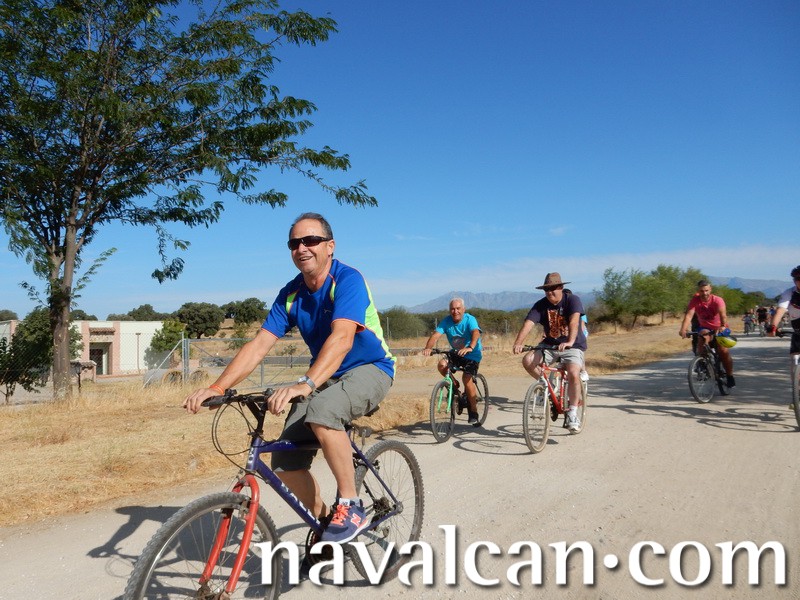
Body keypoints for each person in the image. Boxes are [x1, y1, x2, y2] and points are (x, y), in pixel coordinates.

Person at [184, 212, 395, 544]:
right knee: (284, 464)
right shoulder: (291, 294)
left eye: (311, 240)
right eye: (294, 243)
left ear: (330, 246)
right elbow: (259, 345)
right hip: (324, 374)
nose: (302, 248)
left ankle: (350, 505)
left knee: (323, 411)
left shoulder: (347, 280)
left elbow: (342, 338)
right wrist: (217, 386)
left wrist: (305, 384)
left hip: (370, 368)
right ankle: (328, 522)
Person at [512, 273, 587, 433]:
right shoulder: (541, 305)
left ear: (561, 287)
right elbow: (529, 323)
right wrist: (518, 342)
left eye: (553, 288)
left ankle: (572, 413)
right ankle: (548, 386)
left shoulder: (572, 300)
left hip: (572, 345)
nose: (550, 292)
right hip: (550, 345)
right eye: (546, 289)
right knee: (528, 361)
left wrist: (570, 341)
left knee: (573, 373)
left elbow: (574, 321)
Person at [421, 298, 483, 426]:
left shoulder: (470, 319)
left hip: (472, 354)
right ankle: (454, 384)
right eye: (452, 309)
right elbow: (435, 335)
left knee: (467, 378)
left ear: (463, 309)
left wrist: (470, 347)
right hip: (456, 353)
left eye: (458, 308)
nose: (455, 311)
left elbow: (475, 333)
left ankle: (473, 411)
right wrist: (428, 348)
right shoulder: (446, 321)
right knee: (442, 365)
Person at [679, 279, 735, 387]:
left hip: (720, 327)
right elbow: (689, 316)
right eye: (702, 291)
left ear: (710, 289)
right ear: (698, 291)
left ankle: (730, 376)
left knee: (723, 351)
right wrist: (683, 329)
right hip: (705, 327)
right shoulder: (695, 301)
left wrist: (723, 325)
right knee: (702, 336)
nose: (704, 293)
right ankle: (702, 362)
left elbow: (723, 315)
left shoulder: (718, 300)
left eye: (706, 290)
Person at [767, 267, 800, 401]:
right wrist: (773, 327)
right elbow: (780, 310)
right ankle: (797, 393)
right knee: (794, 360)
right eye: (797, 279)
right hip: (798, 329)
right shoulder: (789, 293)